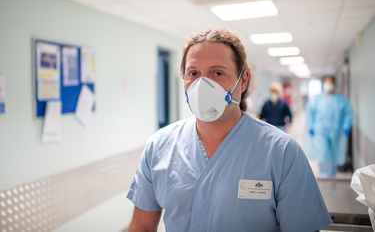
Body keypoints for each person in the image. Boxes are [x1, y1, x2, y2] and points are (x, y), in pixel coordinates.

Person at [126, 28, 332, 231]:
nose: (202, 84)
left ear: (243, 81)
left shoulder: (283, 153)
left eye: (217, 73)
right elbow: (141, 227)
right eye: (193, 73)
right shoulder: (159, 147)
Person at [305, 75, 354, 178]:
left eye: (330, 83)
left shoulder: (340, 100)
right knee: (323, 151)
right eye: (326, 83)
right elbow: (310, 113)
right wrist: (310, 126)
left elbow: (349, 113)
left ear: (334, 84)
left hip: (336, 131)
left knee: (334, 152)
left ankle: (332, 174)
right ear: (323, 84)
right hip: (320, 130)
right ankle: (324, 175)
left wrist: (346, 126)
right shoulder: (317, 99)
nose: (328, 85)